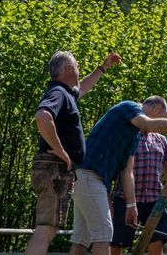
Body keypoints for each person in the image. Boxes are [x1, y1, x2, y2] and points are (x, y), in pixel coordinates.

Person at [72, 100, 167, 255]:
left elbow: (127, 171)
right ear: (155, 109)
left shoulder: (132, 136)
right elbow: (149, 124)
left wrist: (131, 205)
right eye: (161, 118)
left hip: (95, 181)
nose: (160, 127)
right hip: (90, 175)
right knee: (104, 235)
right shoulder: (129, 107)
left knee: (82, 239)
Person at [27, 50, 120, 255]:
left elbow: (82, 88)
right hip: (55, 168)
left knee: (48, 229)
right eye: (77, 66)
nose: (78, 70)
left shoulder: (66, 93)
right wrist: (61, 151)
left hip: (55, 169)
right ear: (68, 68)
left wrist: (103, 68)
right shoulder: (58, 93)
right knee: (46, 230)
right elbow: (42, 117)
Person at [109, 97, 167, 255]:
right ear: (155, 110)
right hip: (125, 198)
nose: (162, 123)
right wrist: (108, 200)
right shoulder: (127, 134)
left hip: (155, 199)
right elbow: (113, 169)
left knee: (158, 240)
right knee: (117, 243)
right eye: (162, 118)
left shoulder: (161, 140)